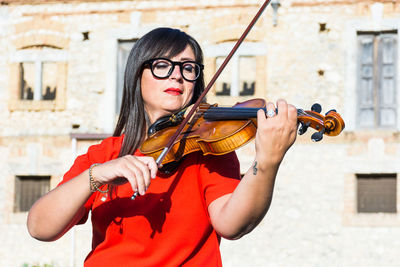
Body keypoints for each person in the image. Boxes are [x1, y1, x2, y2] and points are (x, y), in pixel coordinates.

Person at [27, 27, 298, 266]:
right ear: (137, 75)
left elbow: (232, 224)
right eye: (162, 65)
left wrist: (267, 163)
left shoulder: (208, 152)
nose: (177, 76)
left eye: (188, 68)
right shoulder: (103, 155)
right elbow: (40, 228)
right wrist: (97, 174)